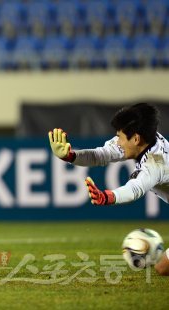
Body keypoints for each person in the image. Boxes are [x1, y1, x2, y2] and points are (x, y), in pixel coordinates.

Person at [48, 102, 169, 276]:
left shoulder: (156, 163)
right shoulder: (144, 139)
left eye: (120, 137)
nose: (117, 142)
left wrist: (107, 197)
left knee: (162, 268)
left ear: (136, 139)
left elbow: (135, 188)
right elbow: (100, 155)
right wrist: (70, 156)